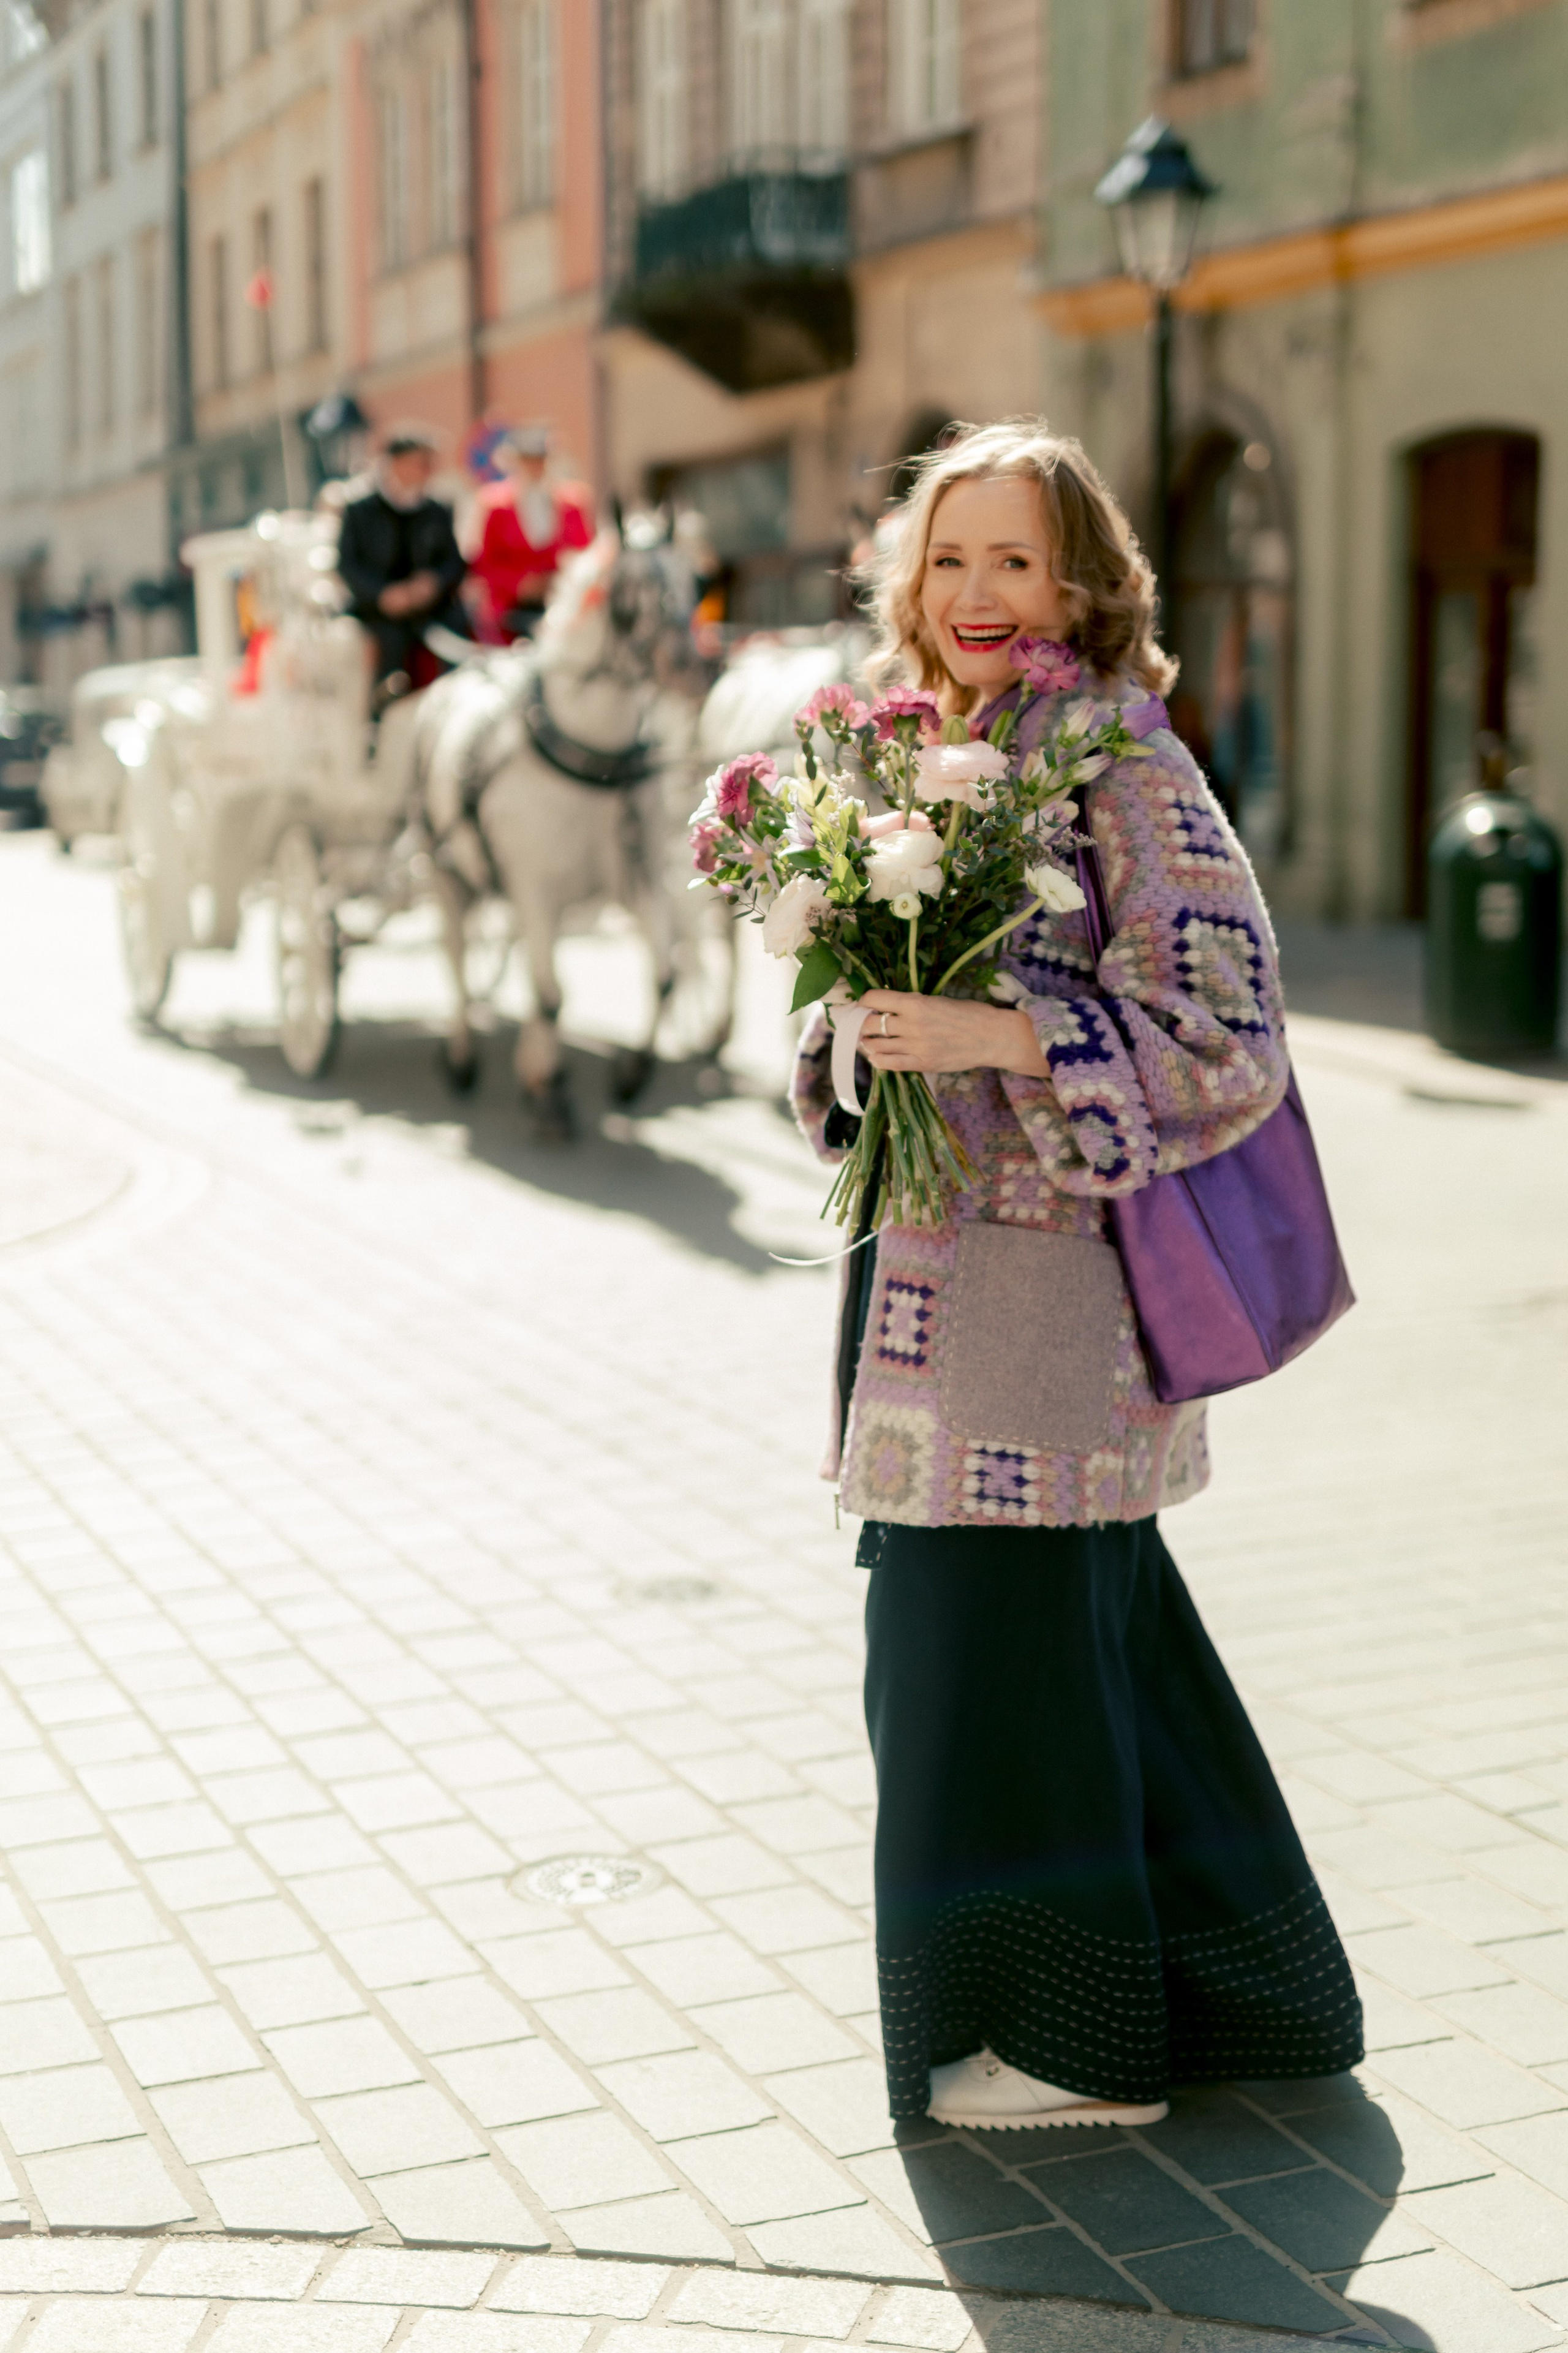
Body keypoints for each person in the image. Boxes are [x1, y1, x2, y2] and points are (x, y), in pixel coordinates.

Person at [792, 419, 1362, 2132]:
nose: (978, 593)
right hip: (925, 1306)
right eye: (949, 559)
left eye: (1016, 560)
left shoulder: (1124, 766)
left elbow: (1229, 1036)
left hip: (1055, 1322)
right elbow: (847, 1024)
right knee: (1076, 1649)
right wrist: (844, 1038)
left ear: (1084, 583)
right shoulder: (911, 754)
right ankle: (1242, 1993)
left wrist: (993, 1029)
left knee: (986, 1662)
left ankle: (1076, 2048)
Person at [336, 425, 470, 692]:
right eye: (422, 463)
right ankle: (380, 713)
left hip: (431, 608)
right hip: (380, 613)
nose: (429, 471)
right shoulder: (361, 510)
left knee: (458, 639)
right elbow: (348, 563)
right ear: (397, 463)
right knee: (388, 648)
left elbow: (454, 561)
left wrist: (433, 583)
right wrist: (383, 595)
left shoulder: (437, 509)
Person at [469, 424, 594, 642]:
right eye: (528, 459)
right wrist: (521, 584)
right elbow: (484, 563)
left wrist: (561, 579)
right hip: (513, 608)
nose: (536, 466)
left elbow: (586, 554)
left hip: (563, 604)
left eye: (541, 459)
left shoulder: (573, 502)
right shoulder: (495, 504)